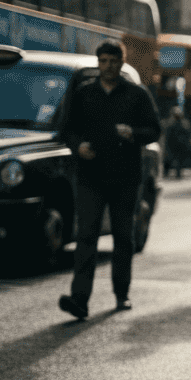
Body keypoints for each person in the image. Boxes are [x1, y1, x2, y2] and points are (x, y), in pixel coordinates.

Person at [57, 38, 161, 318]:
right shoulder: (84, 93)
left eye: (114, 61)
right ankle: (79, 299)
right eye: (104, 61)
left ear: (122, 63)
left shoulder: (137, 95)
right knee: (86, 237)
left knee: (123, 238)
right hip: (91, 177)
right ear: (98, 62)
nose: (109, 66)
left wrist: (134, 134)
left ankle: (122, 295)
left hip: (126, 178)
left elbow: (154, 130)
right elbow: (67, 129)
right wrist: (77, 146)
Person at [162, 105, 191, 179]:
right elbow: (166, 133)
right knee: (168, 159)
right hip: (171, 145)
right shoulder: (169, 122)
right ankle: (166, 173)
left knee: (178, 160)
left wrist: (187, 141)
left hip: (179, 145)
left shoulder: (183, 123)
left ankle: (178, 173)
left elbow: (188, 132)